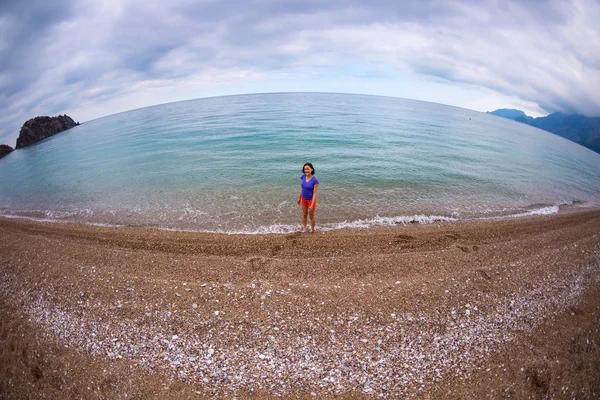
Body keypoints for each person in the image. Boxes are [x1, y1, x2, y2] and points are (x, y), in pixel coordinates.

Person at [297, 162, 319, 232]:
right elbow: (302, 188)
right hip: (303, 199)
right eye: (305, 169)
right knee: (304, 215)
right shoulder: (303, 177)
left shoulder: (315, 180)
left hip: (311, 200)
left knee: (311, 216)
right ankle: (304, 228)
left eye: (308, 169)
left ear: (311, 169)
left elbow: (315, 193)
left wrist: (312, 205)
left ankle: (312, 230)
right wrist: (299, 198)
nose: (306, 170)